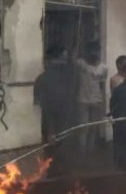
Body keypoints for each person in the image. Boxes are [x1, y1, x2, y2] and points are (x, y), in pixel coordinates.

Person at [34, 45, 77, 175]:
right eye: (62, 59)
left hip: (67, 123)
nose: (64, 63)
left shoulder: (67, 78)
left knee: (66, 160)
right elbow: (46, 107)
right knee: (52, 159)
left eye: (66, 60)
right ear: (51, 60)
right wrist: (51, 131)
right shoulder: (43, 80)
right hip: (52, 125)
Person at [75, 41, 108, 150]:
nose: (94, 53)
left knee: (94, 127)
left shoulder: (103, 68)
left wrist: (103, 102)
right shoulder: (80, 63)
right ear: (87, 51)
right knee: (83, 127)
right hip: (82, 100)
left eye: (96, 50)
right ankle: (82, 151)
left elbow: (102, 86)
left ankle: (90, 149)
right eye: (91, 50)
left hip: (97, 100)